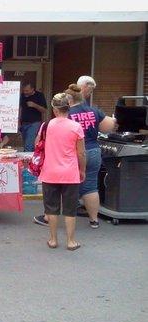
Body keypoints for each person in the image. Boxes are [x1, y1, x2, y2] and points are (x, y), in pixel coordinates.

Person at [34, 83, 116, 228]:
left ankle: (49, 217)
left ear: (69, 101)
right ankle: (94, 220)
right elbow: (108, 127)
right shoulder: (93, 111)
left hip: (72, 154)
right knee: (90, 186)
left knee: (60, 186)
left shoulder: (67, 115)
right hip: (94, 150)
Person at [37, 92, 86, 251]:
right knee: (70, 208)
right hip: (70, 173)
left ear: (54, 109)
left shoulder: (47, 125)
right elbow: (81, 153)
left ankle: (53, 239)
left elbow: (38, 143)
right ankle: (71, 241)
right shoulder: (76, 127)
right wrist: (82, 169)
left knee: (51, 207)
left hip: (50, 172)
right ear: (69, 108)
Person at [19, 83, 47, 151]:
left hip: (34, 123)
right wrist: (19, 121)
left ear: (32, 89)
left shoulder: (39, 95)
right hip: (23, 123)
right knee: (26, 143)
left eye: (27, 90)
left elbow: (44, 110)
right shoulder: (22, 96)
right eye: (24, 90)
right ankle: (31, 158)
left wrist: (35, 105)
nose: (25, 92)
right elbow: (20, 108)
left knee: (28, 145)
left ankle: (27, 160)